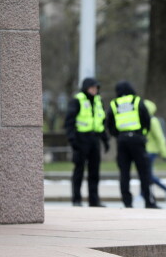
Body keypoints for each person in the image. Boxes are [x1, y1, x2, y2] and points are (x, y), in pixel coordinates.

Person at [106, 81, 159, 209]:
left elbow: (109, 124)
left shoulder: (114, 104)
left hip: (122, 140)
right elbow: (146, 119)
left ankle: (127, 202)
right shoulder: (136, 101)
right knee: (144, 172)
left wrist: (118, 135)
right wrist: (142, 134)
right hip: (137, 139)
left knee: (124, 173)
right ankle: (148, 201)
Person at [64, 77, 110, 207]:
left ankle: (94, 201)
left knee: (94, 171)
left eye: (96, 88)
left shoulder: (98, 101)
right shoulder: (77, 100)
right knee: (79, 170)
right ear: (86, 88)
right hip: (81, 139)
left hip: (94, 139)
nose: (95, 90)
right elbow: (69, 122)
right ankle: (76, 199)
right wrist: (72, 140)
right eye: (92, 87)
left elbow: (101, 122)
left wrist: (105, 140)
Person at [143, 99, 166, 202]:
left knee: (147, 174)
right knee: (145, 173)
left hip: (151, 152)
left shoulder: (152, 121)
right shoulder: (144, 120)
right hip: (145, 151)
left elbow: (160, 138)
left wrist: (165, 154)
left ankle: (165, 189)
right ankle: (145, 194)